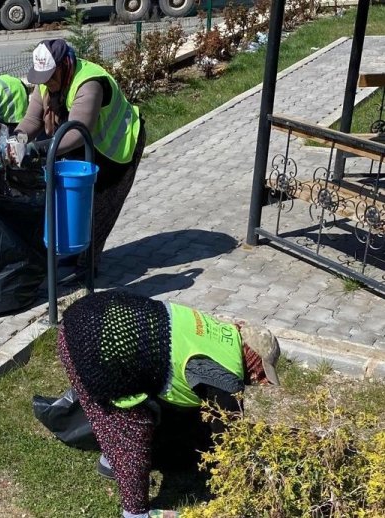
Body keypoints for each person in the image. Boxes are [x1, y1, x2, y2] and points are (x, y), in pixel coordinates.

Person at [56, 290, 281, 518]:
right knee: (132, 427)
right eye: (262, 371)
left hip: (74, 328)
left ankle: (111, 461)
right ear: (252, 357)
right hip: (96, 352)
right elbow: (228, 440)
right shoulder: (225, 377)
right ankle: (135, 513)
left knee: (106, 413)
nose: (260, 380)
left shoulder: (219, 331)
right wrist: (244, 479)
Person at [16, 39, 146, 275]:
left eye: (50, 77)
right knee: (73, 203)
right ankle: (72, 254)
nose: (46, 83)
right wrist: (16, 140)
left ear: (64, 65)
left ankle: (87, 269)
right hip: (88, 150)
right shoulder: (46, 82)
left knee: (99, 208)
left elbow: (77, 132)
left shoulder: (89, 83)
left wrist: (38, 149)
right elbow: (33, 120)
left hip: (118, 150)